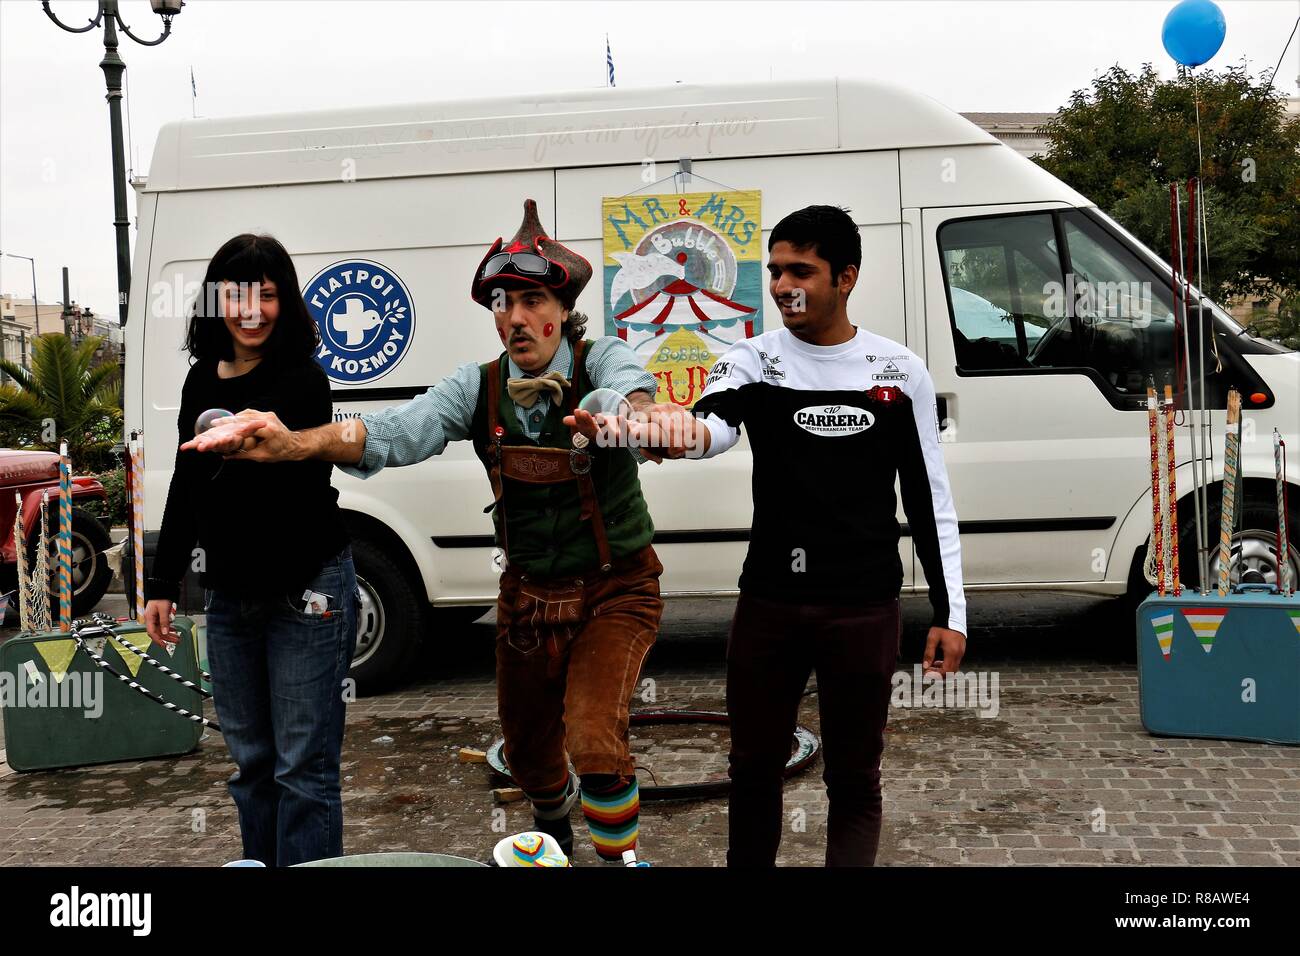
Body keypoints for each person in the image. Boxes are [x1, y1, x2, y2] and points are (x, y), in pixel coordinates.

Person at [186, 200, 668, 866]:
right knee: (529, 753)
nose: (516, 317)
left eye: (532, 299)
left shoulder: (602, 359)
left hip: (616, 588)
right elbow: (391, 433)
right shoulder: (478, 387)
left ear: (562, 308)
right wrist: (298, 443)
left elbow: (630, 391)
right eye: (503, 303)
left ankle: (618, 862)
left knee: (592, 741)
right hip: (529, 595)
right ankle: (555, 836)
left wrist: (630, 418)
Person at [638, 204, 968, 866]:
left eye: (802, 271)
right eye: (775, 270)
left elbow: (929, 496)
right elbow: (713, 427)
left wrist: (950, 610)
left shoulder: (899, 372)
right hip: (769, 605)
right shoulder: (753, 359)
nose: (784, 285)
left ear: (846, 277)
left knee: (854, 779)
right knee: (753, 770)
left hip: (864, 607)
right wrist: (661, 432)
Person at [143, 233, 357, 867]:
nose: (252, 309)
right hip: (232, 598)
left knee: (303, 769)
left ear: (284, 302)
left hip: (307, 590)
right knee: (252, 767)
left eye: (267, 295)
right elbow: (186, 487)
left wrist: (256, 440)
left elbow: (298, 476)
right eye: (239, 293)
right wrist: (161, 585)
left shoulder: (301, 379)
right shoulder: (197, 381)